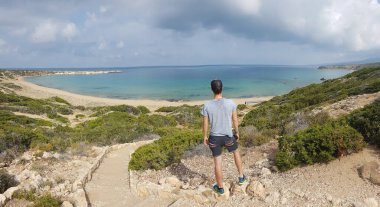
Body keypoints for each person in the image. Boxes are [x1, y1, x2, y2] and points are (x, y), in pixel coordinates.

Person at [201, 79, 247, 195]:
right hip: (228, 136)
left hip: (214, 138)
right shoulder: (231, 103)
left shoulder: (207, 105)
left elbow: (205, 123)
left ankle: (220, 188)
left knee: (218, 162)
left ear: (212, 89)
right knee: (236, 153)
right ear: (222, 88)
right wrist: (237, 132)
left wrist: (205, 136)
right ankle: (241, 177)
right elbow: (235, 120)